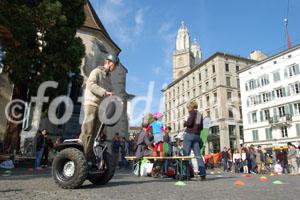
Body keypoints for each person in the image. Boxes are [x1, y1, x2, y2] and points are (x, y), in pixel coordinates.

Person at [78, 53, 119, 160]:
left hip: (101, 108)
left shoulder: (109, 79)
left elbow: (110, 93)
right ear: (109, 62)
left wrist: (113, 99)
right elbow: (90, 84)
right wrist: (104, 92)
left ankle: (89, 156)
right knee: (88, 130)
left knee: (96, 134)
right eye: (114, 65)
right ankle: (80, 155)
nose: (114, 68)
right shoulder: (96, 71)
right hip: (91, 104)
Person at [182, 100, 206, 180]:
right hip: (197, 136)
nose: (188, 109)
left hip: (189, 135)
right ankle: (203, 173)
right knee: (198, 156)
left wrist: (185, 123)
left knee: (186, 154)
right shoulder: (199, 114)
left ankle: (185, 174)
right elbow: (201, 127)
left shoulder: (192, 112)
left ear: (191, 107)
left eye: (188, 108)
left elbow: (190, 124)